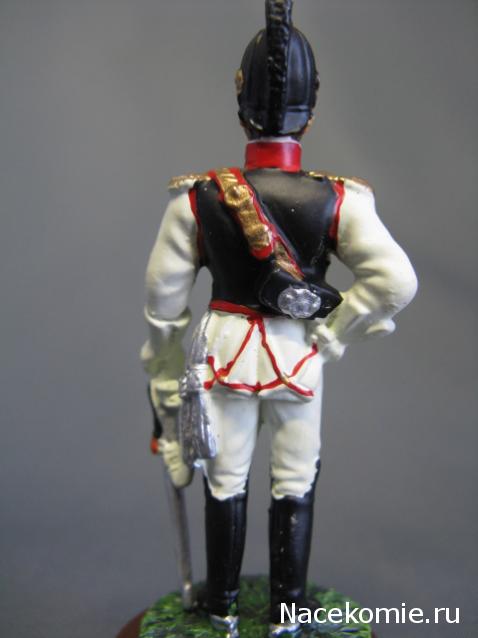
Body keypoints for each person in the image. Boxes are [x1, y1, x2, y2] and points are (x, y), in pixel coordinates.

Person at [140, 2, 417, 636]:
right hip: (299, 358)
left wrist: (162, 377)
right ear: (310, 112)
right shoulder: (341, 199)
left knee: (224, 480)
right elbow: (396, 281)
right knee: (294, 481)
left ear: (240, 107)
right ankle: (288, 613)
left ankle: (221, 607)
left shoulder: (197, 199)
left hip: (223, 357)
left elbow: (163, 305)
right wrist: (335, 335)